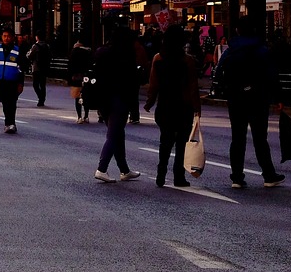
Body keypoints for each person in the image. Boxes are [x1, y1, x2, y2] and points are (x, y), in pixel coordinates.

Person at [212, 16, 286, 189]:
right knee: (260, 138)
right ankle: (268, 175)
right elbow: (272, 75)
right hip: (258, 97)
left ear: (237, 30)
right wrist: (278, 98)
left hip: (236, 98)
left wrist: (226, 91)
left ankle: (237, 177)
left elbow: (219, 72)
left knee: (237, 137)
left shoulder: (231, 50)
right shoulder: (261, 50)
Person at [144, 25, 201, 188]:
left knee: (165, 141)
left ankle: (160, 174)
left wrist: (150, 102)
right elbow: (192, 86)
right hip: (183, 106)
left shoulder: (158, 58)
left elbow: (153, 84)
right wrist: (197, 107)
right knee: (181, 143)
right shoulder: (187, 61)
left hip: (165, 104)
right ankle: (179, 176)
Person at [93, 24, 143, 182]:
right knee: (114, 134)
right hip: (120, 97)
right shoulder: (125, 55)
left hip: (103, 98)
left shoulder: (102, 52)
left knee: (117, 133)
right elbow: (132, 80)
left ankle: (124, 170)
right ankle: (102, 168)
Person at [0, 29, 25, 133]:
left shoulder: (18, 51)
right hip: (1, 81)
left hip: (13, 81)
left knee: (12, 102)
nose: (6, 38)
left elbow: (21, 69)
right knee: (4, 101)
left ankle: (11, 123)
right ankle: (8, 122)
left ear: (13, 37)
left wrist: (21, 83)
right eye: (4, 36)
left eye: (8, 36)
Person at [67, 36, 94, 124]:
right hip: (86, 76)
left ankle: (79, 117)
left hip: (76, 76)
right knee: (87, 95)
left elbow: (70, 65)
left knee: (77, 96)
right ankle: (86, 116)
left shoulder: (74, 51)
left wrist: (69, 78)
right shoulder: (89, 52)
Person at [27, 34, 52, 107]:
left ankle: (40, 97)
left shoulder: (35, 46)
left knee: (35, 85)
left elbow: (30, 56)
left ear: (37, 37)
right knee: (42, 84)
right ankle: (42, 99)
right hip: (44, 68)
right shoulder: (47, 46)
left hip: (36, 68)